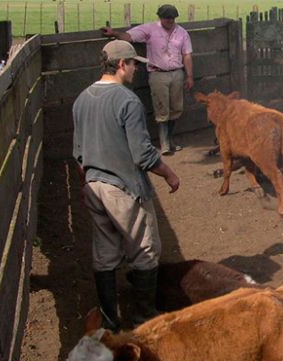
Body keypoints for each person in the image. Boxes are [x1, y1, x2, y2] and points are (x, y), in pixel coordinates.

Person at [73, 40, 181, 331]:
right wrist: (169, 173)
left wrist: (87, 185)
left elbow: (79, 153)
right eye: (134, 63)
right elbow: (142, 154)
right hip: (123, 188)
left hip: (95, 186)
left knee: (105, 252)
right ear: (121, 64)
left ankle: (110, 321)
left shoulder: (82, 99)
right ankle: (143, 317)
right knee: (145, 249)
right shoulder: (127, 101)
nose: (137, 69)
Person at [102, 4, 194, 155]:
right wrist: (114, 33)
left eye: (172, 17)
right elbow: (129, 37)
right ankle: (164, 143)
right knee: (161, 108)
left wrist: (189, 75)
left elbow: (187, 55)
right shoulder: (150, 29)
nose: (169, 20)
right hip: (158, 74)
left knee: (176, 108)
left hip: (177, 73)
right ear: (160, 17)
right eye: (166, 17)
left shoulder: (182, 33)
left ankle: (170, 140)